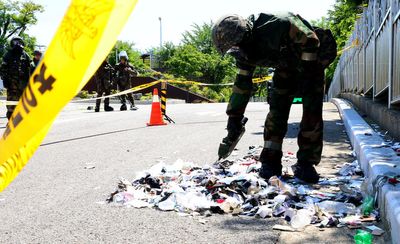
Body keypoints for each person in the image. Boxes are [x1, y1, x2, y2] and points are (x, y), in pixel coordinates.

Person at [212, 13, 337, 183]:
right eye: (232, 47)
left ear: (244, 35)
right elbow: (242, 85)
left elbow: (311, 40)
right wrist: (234, 117)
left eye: (235, 45)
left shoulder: (279, 23)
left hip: (311, 59)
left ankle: (306, 163)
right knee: (277, 110)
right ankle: (271, 161)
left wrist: (307, 74)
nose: (236, 50)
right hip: (285, 67)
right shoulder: (243, 51)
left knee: (311, 111)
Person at [0, 36, 31, 120]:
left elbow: (30, 68)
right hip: (11, 85)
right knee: (11, 104)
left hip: (23, 85)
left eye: (19, 42)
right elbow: (2, 68)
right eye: (15, 42)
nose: (17, 44)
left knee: (23, 103)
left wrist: (30, 81)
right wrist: (4, 79)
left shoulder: (25, 55)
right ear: (12, 43)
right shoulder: (8, 54)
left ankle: (21, 121)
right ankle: (10, 121)